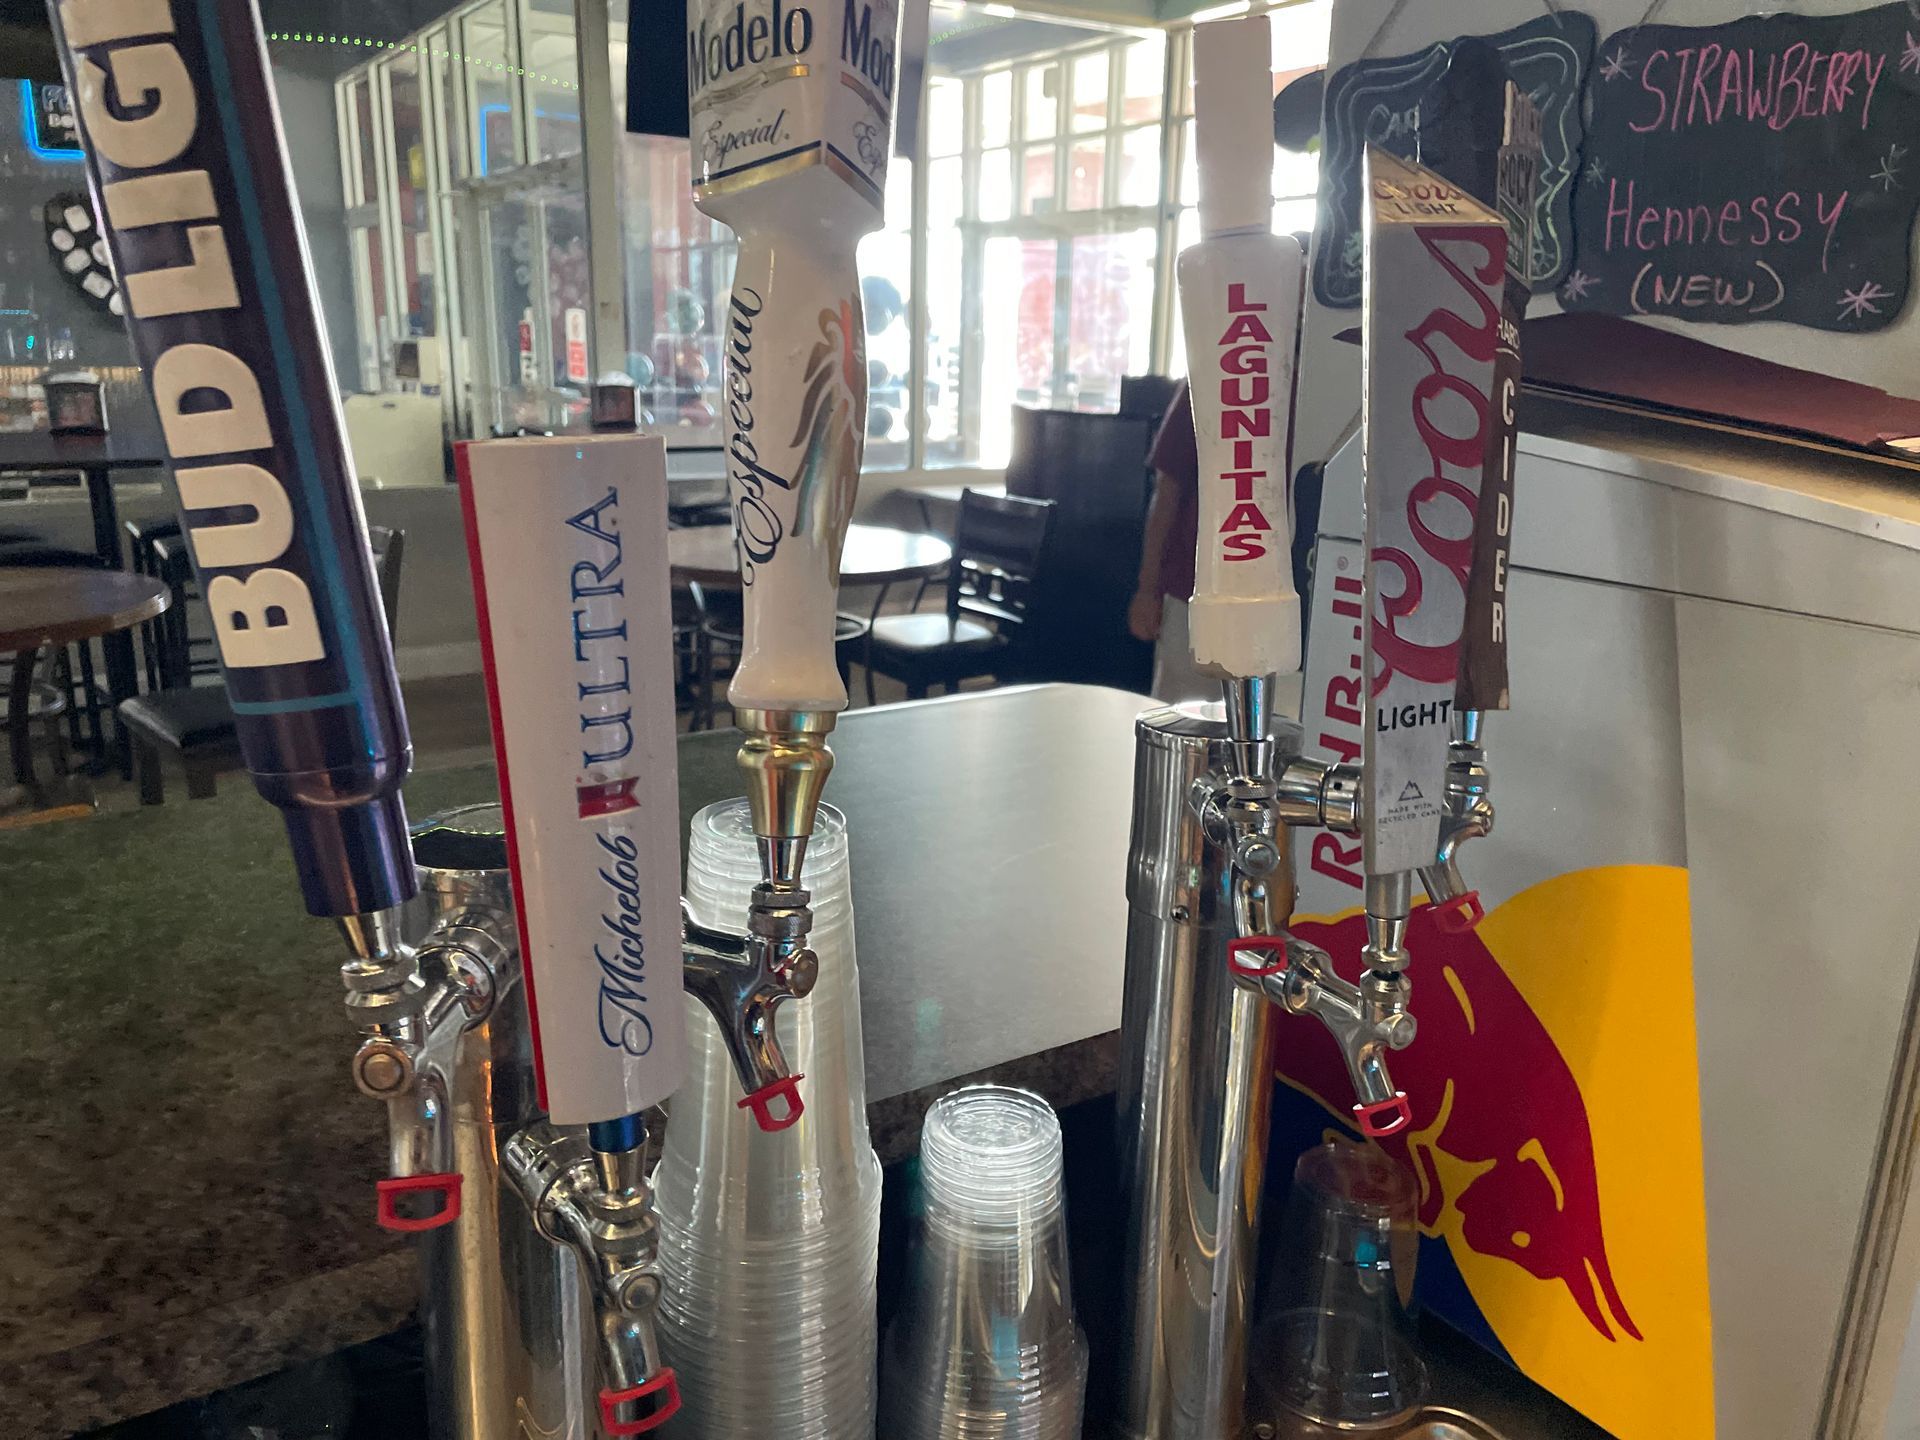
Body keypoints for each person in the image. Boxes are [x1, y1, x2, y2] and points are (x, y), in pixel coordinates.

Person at [1128, 381, 1214, 702]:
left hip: (1296, 593)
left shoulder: (1320, 373)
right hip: (1192, 591)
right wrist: (1148, 589)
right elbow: (1167, 490)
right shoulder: (1208, 369)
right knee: (1182, 721)